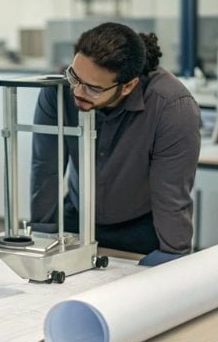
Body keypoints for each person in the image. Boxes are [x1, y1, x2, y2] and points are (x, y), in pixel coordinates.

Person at [30, 22, 200, 266]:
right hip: (77, 217)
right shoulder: (58, 90)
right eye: (75, 77)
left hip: (140, 227)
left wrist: (173, 254)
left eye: (93, 89)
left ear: (128, 85)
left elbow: (172, 192)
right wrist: (42, 235)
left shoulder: (172, 107)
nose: (78, 91)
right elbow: (45, 168)